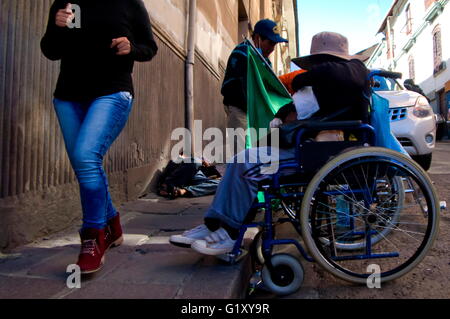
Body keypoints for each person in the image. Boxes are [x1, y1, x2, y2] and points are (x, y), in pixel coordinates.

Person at [169, 31, 370, 255]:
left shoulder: (351, 73)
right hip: (311, 146)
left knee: (245, 163)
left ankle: (227, 232)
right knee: (242, 160)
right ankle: (215, 225)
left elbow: (323, 84)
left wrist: (300, 81)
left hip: (319, 151)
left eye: (316, 63)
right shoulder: (334, 83)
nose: (313, 68)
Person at [41, 0, 158, 274]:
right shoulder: (67, 3)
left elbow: (149, 48)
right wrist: (58, 28)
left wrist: (132, 48)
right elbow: (51, 50)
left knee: (85, 156)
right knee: (86, 164)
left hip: (111, 92)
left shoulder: (129, 4)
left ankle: (93, 237)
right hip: (68, 97)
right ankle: (112, 222)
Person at [221, 19, 288, 154]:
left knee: (256, 154)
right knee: (241, 154)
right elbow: (232, 86)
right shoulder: (242, 53)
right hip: (241, 110)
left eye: (275, 44)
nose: (272, 48)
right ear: (258, 38)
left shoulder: (265, 61)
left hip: (256, 114)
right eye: (270, 43)